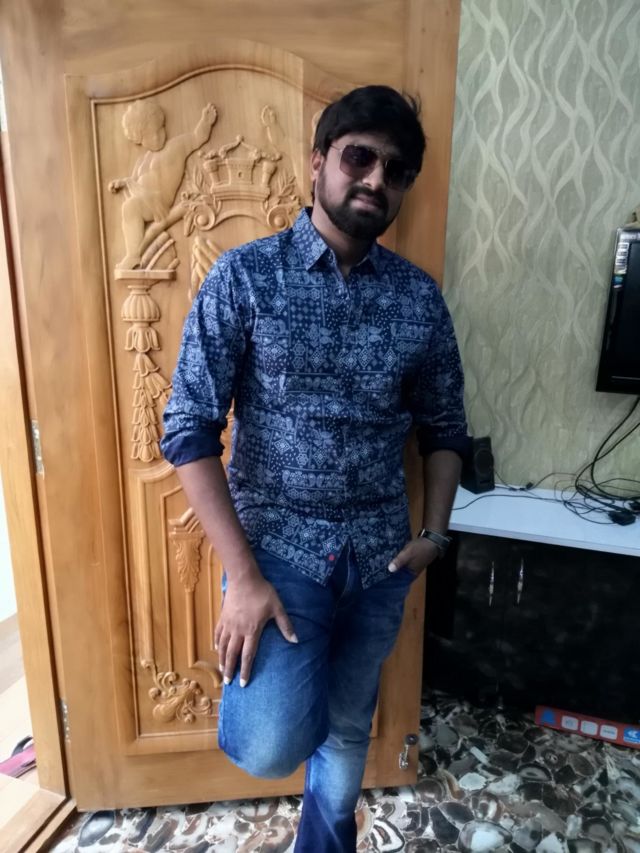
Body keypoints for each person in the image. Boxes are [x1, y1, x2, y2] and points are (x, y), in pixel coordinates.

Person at [161, 85, 469, 853]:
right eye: (359, 157)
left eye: (395, 170)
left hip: (382, 557)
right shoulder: (245, 277)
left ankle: (324, 844)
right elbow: (188, 428)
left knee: (348, 722)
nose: (375, 179)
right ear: (317, 162)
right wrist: (243, 579)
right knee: (269, 744)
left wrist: (435, 535)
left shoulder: (418, 300)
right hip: (277, 554)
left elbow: (445, 427)